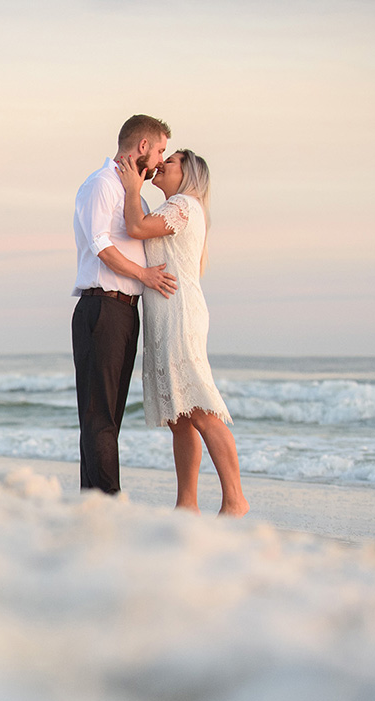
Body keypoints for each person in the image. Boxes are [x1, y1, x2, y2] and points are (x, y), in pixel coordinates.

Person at [115, 149, 249, 516]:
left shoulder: (184, 204)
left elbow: (136, 228)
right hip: (164, 313)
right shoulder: (178, 205)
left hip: (180, 313)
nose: (161, 165)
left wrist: (130, 188)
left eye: (169, 162)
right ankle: (186, 504)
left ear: (187, 174)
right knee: (180, 415)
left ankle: (235, 500)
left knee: (201, 406)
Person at [71, 115, 178, 495]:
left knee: (108, 417)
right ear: (143, 147)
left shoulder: (133, 192)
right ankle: (106, 504)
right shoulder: (101, 184)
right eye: (161, 150)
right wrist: (145, 275)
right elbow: (101, 245)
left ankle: (95, 503)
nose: (161, 160)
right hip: (102, 307)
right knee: (99, 416)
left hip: (123, 311)